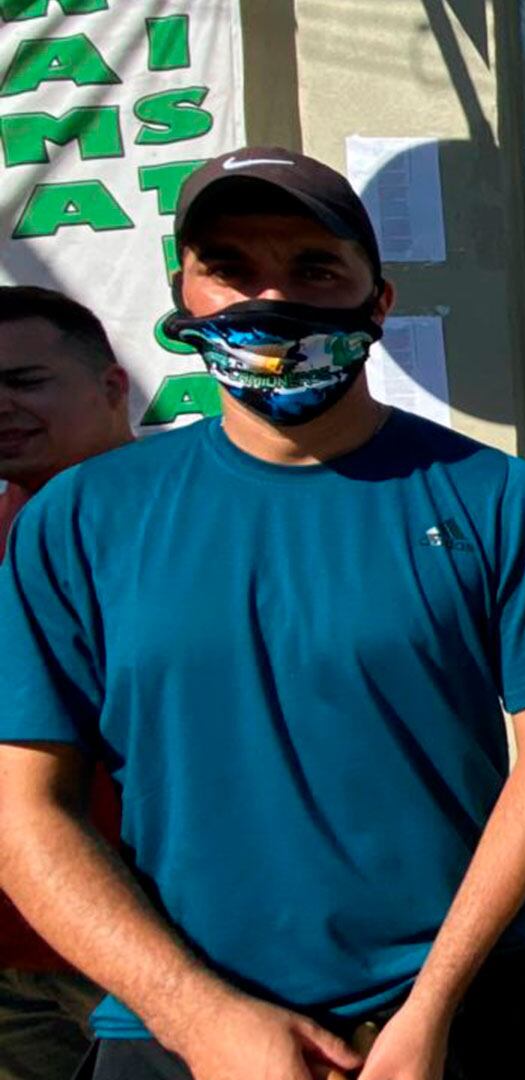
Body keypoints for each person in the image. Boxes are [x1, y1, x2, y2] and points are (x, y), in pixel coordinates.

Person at [0, 147, 525, 1080]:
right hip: (172, 1036)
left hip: (445, 1021)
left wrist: (433, 1007)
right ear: (182, 292)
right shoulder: (81, 520)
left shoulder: (494, 497)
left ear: (376, 301)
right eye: (230, 268)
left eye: (313, 268)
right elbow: (25, 814)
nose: (270, 299)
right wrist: (200, 1017)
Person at [0, 286, 132, 1080]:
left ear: (112, 387)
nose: (0, 406)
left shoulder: (191, 524)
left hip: (146, 950)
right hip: (16, 951)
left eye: (24, 380)